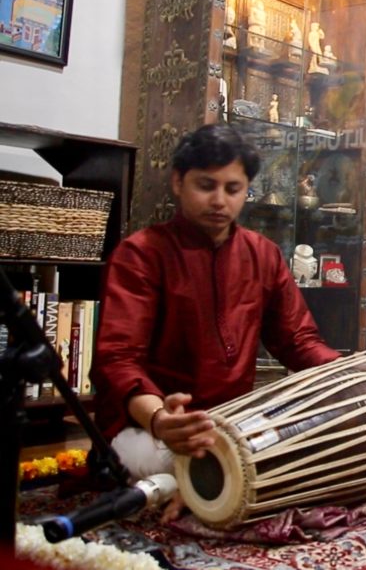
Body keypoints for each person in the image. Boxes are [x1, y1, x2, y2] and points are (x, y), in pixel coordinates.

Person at [90, 124, 341, 518]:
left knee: (316, 443)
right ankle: (198, 482)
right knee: (203, 464)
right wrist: (160, 419)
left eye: (233, 188)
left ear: (246, 189)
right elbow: (118, 361)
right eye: (206, 185)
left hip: (234, 423)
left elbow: (298, 341)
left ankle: (202, 484)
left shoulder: (263, 255)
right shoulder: (140, 254)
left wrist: (357, 375)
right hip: (148, 428)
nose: (219, 200)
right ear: (178, 182)